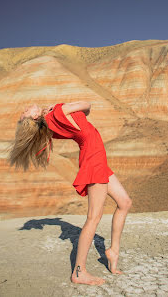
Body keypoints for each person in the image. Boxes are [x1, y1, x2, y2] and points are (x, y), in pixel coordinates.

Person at [7, 101, 132, 286]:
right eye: (26, 111)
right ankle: (79, 271)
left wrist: (50, 110)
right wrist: (55, 108)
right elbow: (87, 105)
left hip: (96, 157)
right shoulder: (56, 114)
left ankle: (113, 251)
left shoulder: (50, 122)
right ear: (34, 117)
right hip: (94, 160)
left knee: (125, 202)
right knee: (93, 217)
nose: (26, 107)